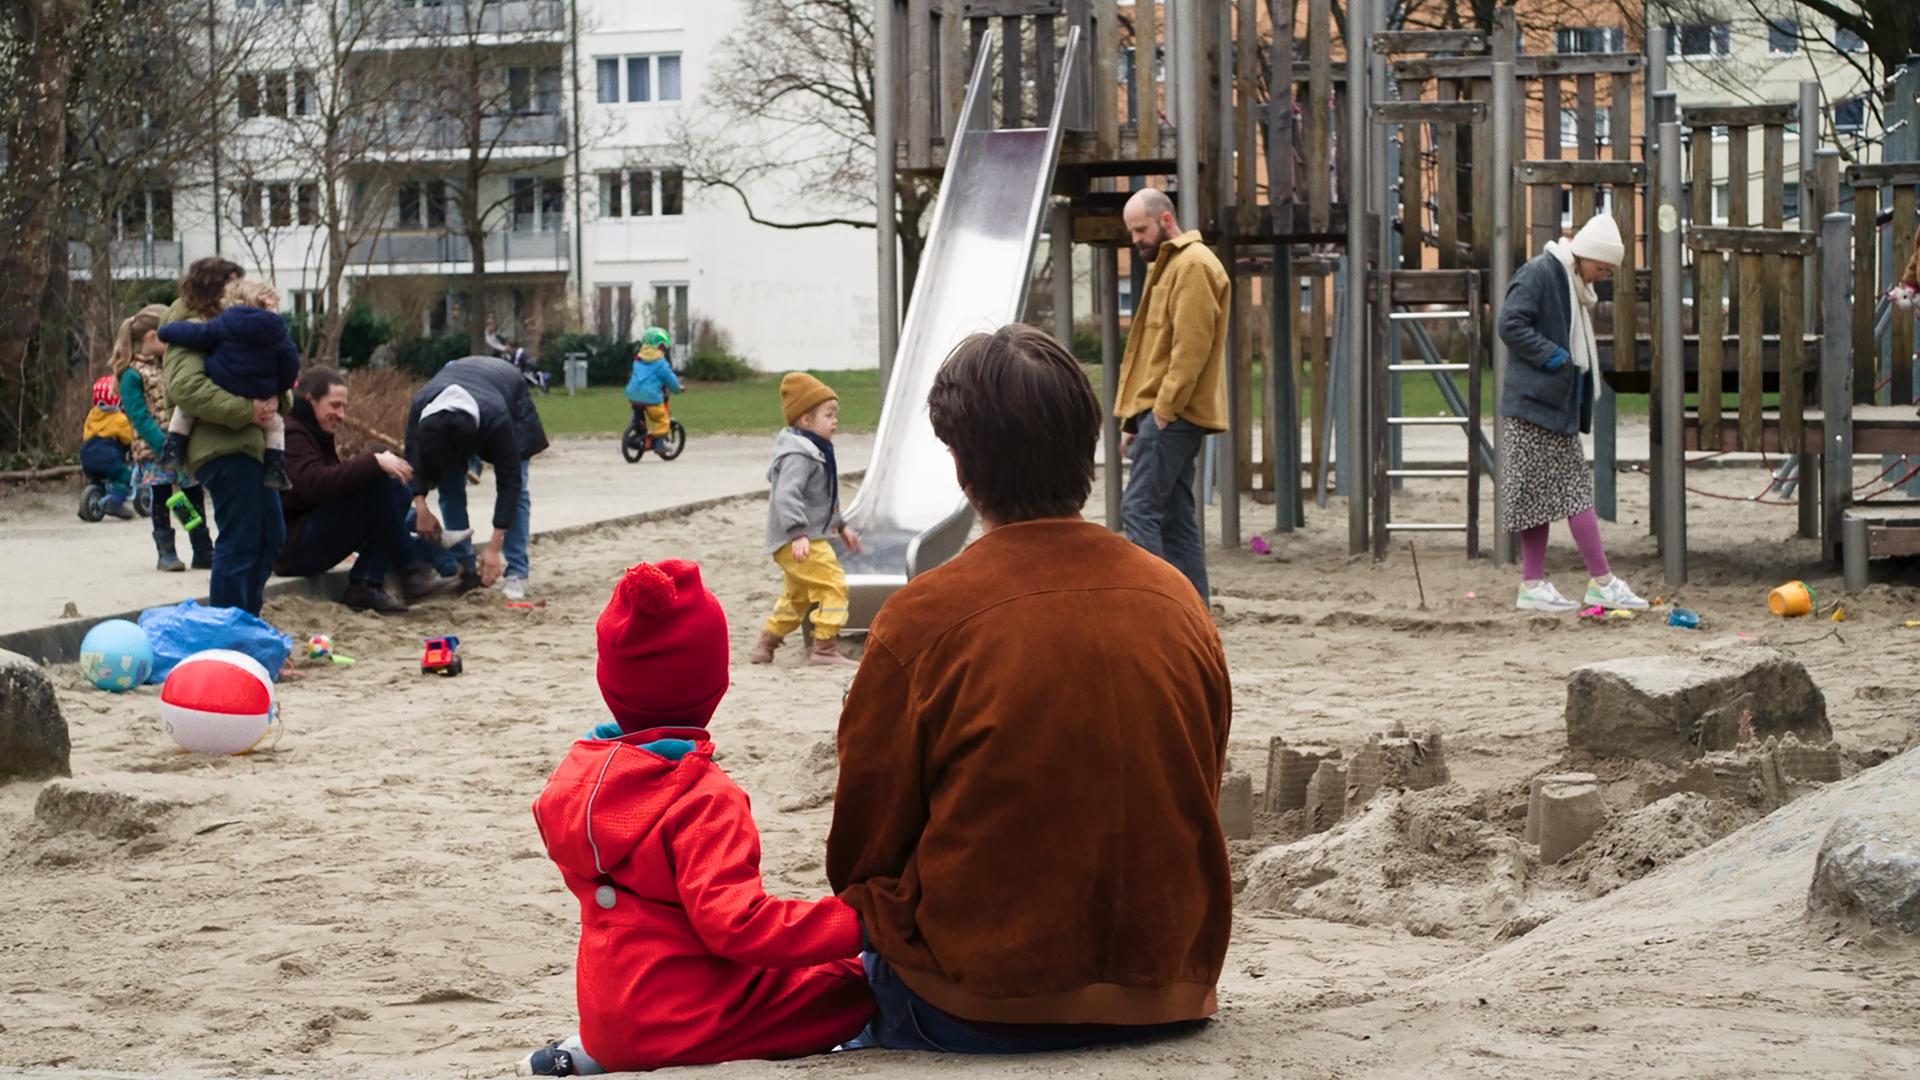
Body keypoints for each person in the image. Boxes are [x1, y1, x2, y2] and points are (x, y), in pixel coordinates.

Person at [829, 325, 1233, 1054]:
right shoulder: (1176, 599)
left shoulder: (924, 616)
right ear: (1089, 449)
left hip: (978, 998)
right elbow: (1200, 773)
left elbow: (863, 850)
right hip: (1170, 985)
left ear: (961, 467)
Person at [519, 560, 873, 1076]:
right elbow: (741, 927)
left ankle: (585, 1054)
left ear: (609, 681)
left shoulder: (572, 783)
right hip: (691, 1018)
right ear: (715, 685)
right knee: (852, 985)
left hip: (609, 1014)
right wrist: (860, 922)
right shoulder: (702, 797)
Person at [1498, 213, 1649, 614]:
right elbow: (1509, 323)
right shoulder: (1542, 273)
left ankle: (1533, 584)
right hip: (1535, 406)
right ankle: (1602, 581)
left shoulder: (1567, 280)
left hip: (1544, 406)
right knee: (1574, 494)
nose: (1600, 277)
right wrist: (1554, 357)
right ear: (1586, 255)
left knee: (1539, 498)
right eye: (1601, 267)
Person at [1113, 186, 1230, 602]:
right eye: (1131, 232)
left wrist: (1162, 412)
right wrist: (1135, 419)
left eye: (1141, 229)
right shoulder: (1169, 266)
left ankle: (1154, 611)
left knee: (1138, 510)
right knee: (1176, 518)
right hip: (1162, 413)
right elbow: (1153, 354)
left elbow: (1190, 347)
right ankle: (1192, 613)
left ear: (1166, 220)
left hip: (1173, 414)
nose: (1135, 240)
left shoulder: (1194, 265)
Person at [162, 257, 290, 616]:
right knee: (239, 542)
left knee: (270, 537)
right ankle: (228, 633)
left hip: (255, 446)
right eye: (231, 286)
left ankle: (246, 620)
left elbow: (279, 370)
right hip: (221, 445)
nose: (238, 295)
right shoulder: (190, 326)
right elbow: (185, 387)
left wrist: (279, 398)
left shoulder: (246, 326)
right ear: (211, 290)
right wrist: (247, 410)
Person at [276, 367, 459, 614]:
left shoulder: (312, 429)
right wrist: (373, 462)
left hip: (309, 537)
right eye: (335, 405)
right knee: (382, 486)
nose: (341, 415)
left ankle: (371, 582)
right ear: (310, 400)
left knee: (396, 491)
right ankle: (406, 573)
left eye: (343, 407)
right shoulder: (292, 431)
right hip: (293, 548)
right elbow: (311, 485)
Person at [403, 354, 549, 601]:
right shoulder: (422, 411)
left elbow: (509, 483)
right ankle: (465, 566)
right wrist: (420, 507)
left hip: (508, 393)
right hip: (463, 386)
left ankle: (516, 570)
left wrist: (493, 547)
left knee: (519, 489)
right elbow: (413, 460)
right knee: (450, 486)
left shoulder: (498, 420)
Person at [747, 372, 861, 669]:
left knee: (797, 596)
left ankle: (766, 644)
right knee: (834, 584)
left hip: (799, 537)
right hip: (798, 538)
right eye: (829, 415)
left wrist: (841, 525)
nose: (835, 421)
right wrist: (798, 533)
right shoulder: (799, 455)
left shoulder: (815, 449)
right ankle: (824, 647)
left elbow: (823, 497)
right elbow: (787, 496)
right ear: (805, 420)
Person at [155, 278, 302, 492]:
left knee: (185, 410)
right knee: (275, 426)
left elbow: (197, 335)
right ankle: (275, 468)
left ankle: (174, 448)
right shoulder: (279, 334)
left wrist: (166, 332)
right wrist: (276, 389)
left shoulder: (226, 323)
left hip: (224, 382)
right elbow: (290, 368)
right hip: (260, 393)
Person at [111, 304, 211, 570]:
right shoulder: (131, 375)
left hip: (181, 445)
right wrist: (162, 444)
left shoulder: (166, 366)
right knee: (162, 497)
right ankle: (165, 551)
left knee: (190, 496)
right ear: (151, 337)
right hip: (156, 451)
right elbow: (139, 416)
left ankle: (202, 548)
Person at [79, 376, 137, 521]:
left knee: (98, 480)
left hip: (87, 457)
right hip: (108, 457)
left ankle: (89, 505)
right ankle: (115, 502)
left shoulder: (92, 415)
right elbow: (127, 438)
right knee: (125, 478)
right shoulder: (119, 418)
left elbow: (86, 434)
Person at [622, 326, 682, 450]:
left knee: (639, 411)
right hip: (650, 397)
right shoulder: (661, 363)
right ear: (660, 346)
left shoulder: (638, 359)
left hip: (632, 394)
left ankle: (637, 431)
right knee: (661, 419)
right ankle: (658, 444)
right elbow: (670, 380)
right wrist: (677, 388)